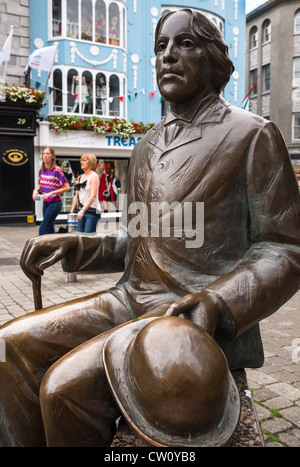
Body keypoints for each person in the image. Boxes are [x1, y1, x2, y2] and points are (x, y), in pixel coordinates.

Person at [0, 9, 299, 447]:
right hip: (128, 298)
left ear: (213, 58)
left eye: (185, 45)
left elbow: (285, 248)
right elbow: (136, 237)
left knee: (62, 388)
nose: (168, 57)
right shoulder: (145, 146)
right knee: (9, 347)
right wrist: (77, 244)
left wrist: (218, 301)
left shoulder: (252, 135)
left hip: (187, 314)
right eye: (161, 47)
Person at [32, 147, 70, 235]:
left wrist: (51, 193)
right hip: (45, 203)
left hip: (55, 203)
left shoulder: (57, 170)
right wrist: (35, 190)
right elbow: (42, 186)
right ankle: (55, 247)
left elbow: (67, 187)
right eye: (44, 154)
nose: (45, 156)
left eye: (47, 154)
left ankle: (43, 248)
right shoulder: (42, 170)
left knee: (42, 229)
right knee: (49, 228)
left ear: (52, 156)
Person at [70, 153, 101, 233]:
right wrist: (71, 212)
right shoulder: (80, 177)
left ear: (90, 162)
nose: (81, 162)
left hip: (92, 212)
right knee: (79, 236)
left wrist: (82, 211)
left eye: (84, 160)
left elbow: (93, 196)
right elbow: (76, 196)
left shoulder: (94, 176)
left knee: (88, 239)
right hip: (81, 211)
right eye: (81, 161)